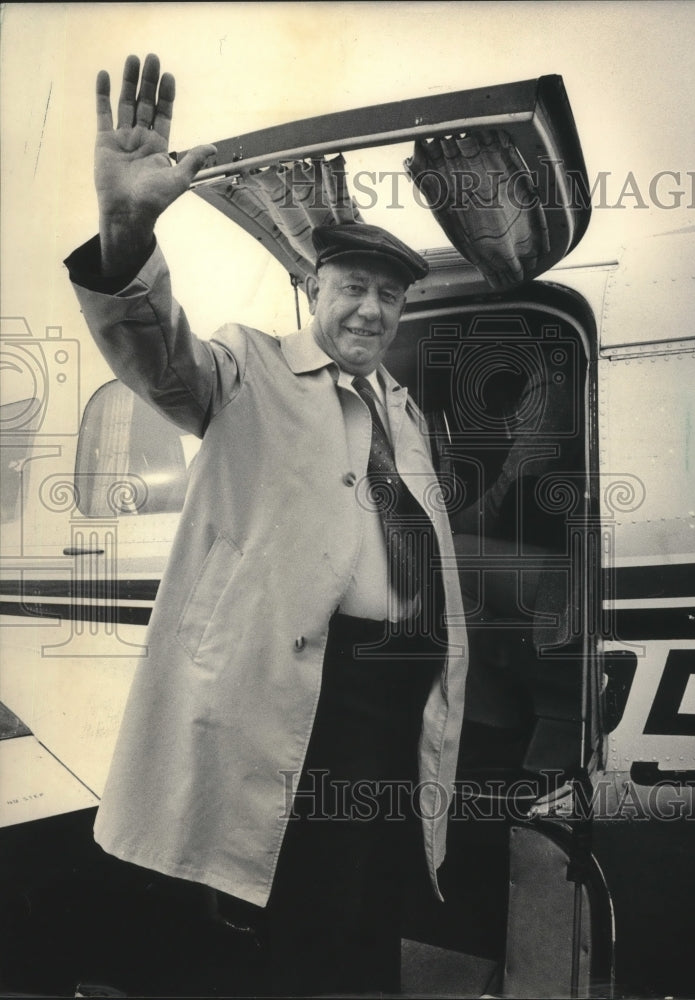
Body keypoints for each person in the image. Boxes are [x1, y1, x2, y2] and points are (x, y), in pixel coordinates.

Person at [64, 54, 468, 996]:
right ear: (314, 292)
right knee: (308, 907)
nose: (371, 308)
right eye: (353, 287)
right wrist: (127, 225)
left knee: (374, 899)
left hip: (391, 701)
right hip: (312, 701)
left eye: (390, 294)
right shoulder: (245, 371)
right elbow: (154, 352)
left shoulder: (402, 409)